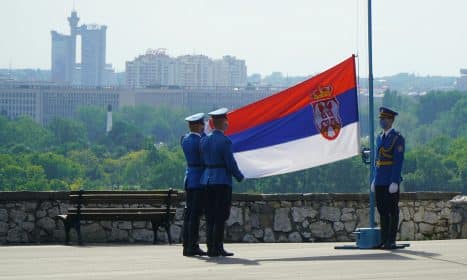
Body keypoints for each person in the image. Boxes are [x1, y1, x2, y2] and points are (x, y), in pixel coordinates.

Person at [200, 108, 244, 257]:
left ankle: (210, 246)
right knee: (220, 215)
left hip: (206, 179)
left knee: (210, 215)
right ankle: (217, 246)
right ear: (224, 123)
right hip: (221, 181)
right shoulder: (225, 141)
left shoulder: (204, 140)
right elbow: (230, 163)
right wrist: (239, 176)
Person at [371, 107, 405, 249]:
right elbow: (377, 160)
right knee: (382, 211)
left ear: (391, 120)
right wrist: (374, 178)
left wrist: (394, 181)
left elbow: (398, 161)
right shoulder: (379, 137)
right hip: (380, 180)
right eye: (381, 119)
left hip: (390, 180)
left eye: (384, 119)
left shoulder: (397, 138)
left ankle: (391, 240)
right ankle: (384, 239)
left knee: (392, 211)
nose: (382, 122)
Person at [181, 112, 207, 256]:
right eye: (202, 124)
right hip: (198, 180)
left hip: (189, 178)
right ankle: (192, 245)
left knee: (189, 214)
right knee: (195, 215)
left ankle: (187, 244)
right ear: (198, 125)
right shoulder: (201, 142)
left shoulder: (184, 140)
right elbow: (204, 159)